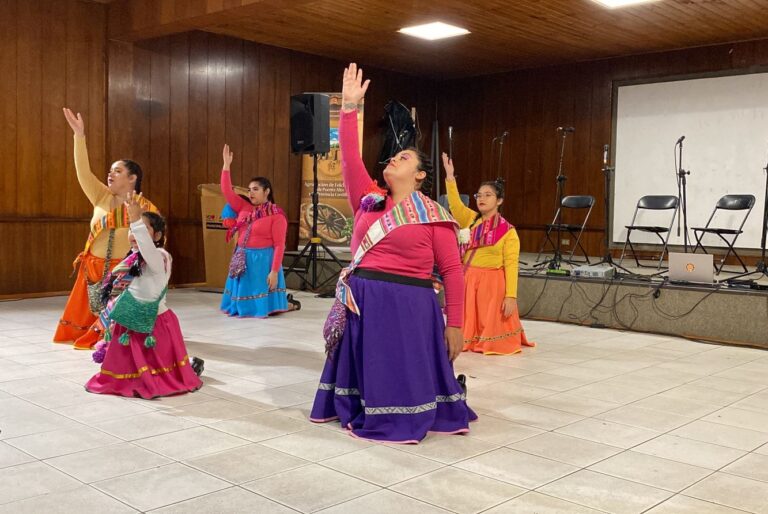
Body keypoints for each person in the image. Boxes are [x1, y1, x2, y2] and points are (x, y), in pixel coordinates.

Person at [310, 64, 476, 444]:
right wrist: (349, 109)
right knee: (369, 365)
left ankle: (405, 416)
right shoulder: (367, 201)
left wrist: (455, 324)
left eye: (403, 158)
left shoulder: (434, 216)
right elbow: (350, 159)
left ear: (420, 175)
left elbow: (452, 271)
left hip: (411, 305)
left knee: (400, 368)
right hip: (364, 300)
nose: (392, 160)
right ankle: (358, 407)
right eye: (391, 158)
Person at [54, 108, 159, 350]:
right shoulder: (100, 195)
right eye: (110, 170)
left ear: (132, 178)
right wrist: (79, 137)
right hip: (92, 270)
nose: (110, 174)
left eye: (117, 171)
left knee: (118, 331)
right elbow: (82, 170)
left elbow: (155, 246)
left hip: (124, 273)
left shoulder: (146, 208)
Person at [86, 192, 203, 399]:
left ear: (157, 236)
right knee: (124, 371)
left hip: (154, 323)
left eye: (141, 228)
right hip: (129, 319)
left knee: (159, 371)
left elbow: (148, 251)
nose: (133, 232)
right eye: (131, 230)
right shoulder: (132, 259)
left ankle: (190, 366)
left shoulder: (160, 256)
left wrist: (135, 220)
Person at [443, 153, 535, 355]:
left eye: (488, 195)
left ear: (500, 200)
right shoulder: (471, 219)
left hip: (491, 284)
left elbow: (511, 265)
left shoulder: (508, 232)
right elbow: (455, 205)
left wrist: (511, 295)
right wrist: (450, 177)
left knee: (489, 323)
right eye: (479, 195)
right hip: (468, 279)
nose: (482, 198)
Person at [219, 145, 299, 317]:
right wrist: (226, 166)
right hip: (242, 257)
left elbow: (279, 245)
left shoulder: (277, 215)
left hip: (263, 260)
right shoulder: (243, 206)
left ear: (267, 191)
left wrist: (274, 271)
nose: (251, 193)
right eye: (249, 189)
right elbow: (226, 191)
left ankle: (289, 304)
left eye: (255, 189)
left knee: (268, 308)